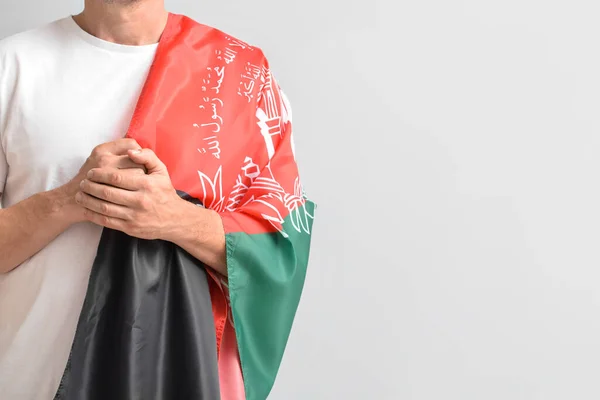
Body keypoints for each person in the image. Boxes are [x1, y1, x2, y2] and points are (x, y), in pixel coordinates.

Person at [0, 1, 316, 399]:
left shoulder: (240, 77)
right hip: (26, 379)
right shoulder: (11, 65)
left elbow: (279, 249)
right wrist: (70, 200)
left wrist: (174, 219)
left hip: (176, 378)